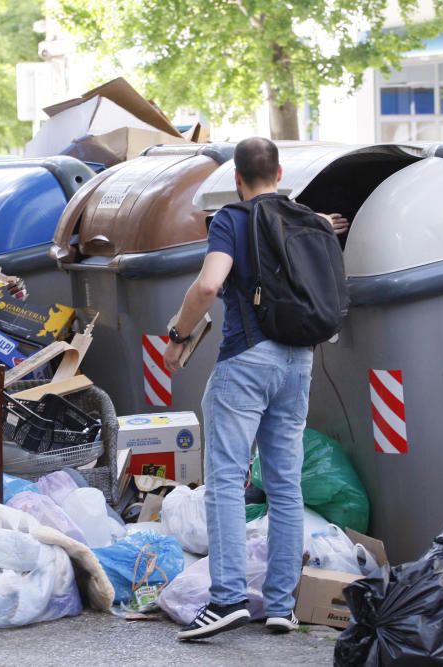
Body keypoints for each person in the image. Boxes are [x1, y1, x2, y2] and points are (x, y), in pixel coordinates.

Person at [165, 137, 348, 641]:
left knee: (225, 479)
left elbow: (208, 285)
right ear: (280, 172)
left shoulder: (232, 219)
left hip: (246, 360)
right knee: (285, 484)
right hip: (299, 360)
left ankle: (225, 600)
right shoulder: (305, 217)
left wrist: (178, 335)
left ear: (237, 179)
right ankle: (282, 606)